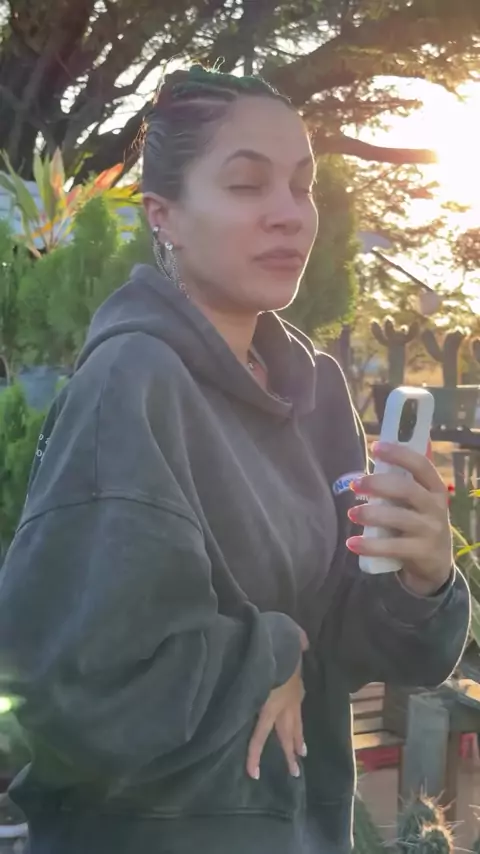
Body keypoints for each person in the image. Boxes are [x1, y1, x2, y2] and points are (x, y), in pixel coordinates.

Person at [0, 65, 470, 854]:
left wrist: (421, 579)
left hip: (308, 827)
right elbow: (73, 684)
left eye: (302, 186)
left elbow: (346, 645)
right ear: (164, 216)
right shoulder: (132, 385)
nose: (289, 213)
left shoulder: (315, 391)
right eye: (248, 185)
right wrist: (268, 655)